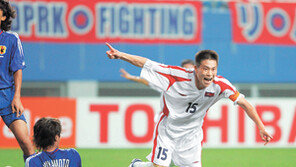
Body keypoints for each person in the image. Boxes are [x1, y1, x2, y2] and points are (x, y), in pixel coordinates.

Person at [105, 43, 272, 167]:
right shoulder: (176, 76)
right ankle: (137, 165)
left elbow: (245, 104)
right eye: (206, 69)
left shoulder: (221, 85)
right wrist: (120, 55)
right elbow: (147, 63)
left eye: (213, 69)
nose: (210, 74)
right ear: (196, 68)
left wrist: (261, 126)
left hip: (191, 137)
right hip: (168, 131)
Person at [0, 0, 35, 161]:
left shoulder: (11, 39)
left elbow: (17, 69)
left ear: (3, 16)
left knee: (25, 142)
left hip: (6, 96)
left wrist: (17, 97)